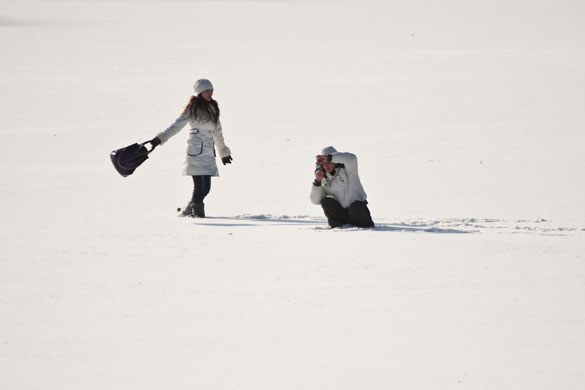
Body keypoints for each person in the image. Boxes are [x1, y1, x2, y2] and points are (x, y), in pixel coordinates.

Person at [150, 79, 232, 218]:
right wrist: (161, 138)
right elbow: (177, 125)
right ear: (199, 92)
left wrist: (223, 152)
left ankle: (188, 210)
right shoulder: (193, 108)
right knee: (199, 187)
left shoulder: (213, 107)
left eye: (211, 90)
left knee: (206, 189)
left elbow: (218, 132)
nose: (210, 93)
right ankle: (198, 214)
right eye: (207, 90)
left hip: (208, 152)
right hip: (195, 151)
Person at [310, 146, 374, 228]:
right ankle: (339, 228)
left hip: (358, 211)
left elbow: (352, 158)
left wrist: (329, 158)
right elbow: (315, 201)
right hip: (343, 214)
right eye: (324, 163)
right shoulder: (323, 178)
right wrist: (317, 181)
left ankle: (364, 226)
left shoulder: (349, 170)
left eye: (329, 162)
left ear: (336, 161)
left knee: (355, 207)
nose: (327, 165)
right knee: (326, 202)